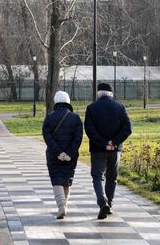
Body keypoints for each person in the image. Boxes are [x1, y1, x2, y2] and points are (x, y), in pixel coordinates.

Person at [84, 83, 132, 219]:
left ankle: (102, 201)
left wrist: (103, 143)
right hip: (115, 150)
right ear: (111, 94)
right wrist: (114, 142)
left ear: (98, 94)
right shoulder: (120, 107)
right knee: (112, 177)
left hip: (98, 149)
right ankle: (109, 204)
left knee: (97, 176)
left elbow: (89, 129)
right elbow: (127, 128)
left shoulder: (91, 108)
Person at [42, 91, 83, 220]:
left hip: (54, 156)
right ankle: (64, 205)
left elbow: (47, 137)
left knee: (56, 179)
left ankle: (61, 207)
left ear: (56, 102)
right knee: (67, 180)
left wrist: (58, 153)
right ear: (68, 101)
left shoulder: (49, 118)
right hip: (71, 156)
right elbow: (78, 138)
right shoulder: (75, 118)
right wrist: (69, 153)